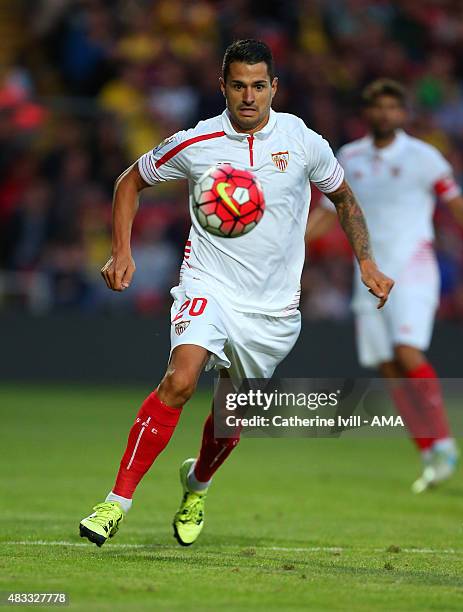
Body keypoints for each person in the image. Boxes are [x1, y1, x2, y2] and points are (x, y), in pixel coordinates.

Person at [79, 40, 393, 548]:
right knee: (180, 380)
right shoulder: (197, 142)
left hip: (272, 309)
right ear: (222, 86)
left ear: (274, 88)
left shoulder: (303, 141)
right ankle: (115, 503)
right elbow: (129, 181)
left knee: (231, 414)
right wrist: (122, 251)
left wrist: (368, 262)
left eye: (258, 86)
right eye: (239, 85)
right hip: (209, 283)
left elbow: (343, 198)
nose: (249, 96)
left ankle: (197, 486)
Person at [307, 79, 463, 493]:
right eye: (378, 107)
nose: (386, 114)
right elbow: (328, 212)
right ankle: (429, 451)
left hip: (414, 267)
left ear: (403, 113)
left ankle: (445, 442)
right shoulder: (349, 157)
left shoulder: (423, 156)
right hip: (369, 272)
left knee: (406, 352)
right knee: (390, 369)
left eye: (394, 107)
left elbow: (455, 204)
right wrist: (291, 247)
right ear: (367, 112)